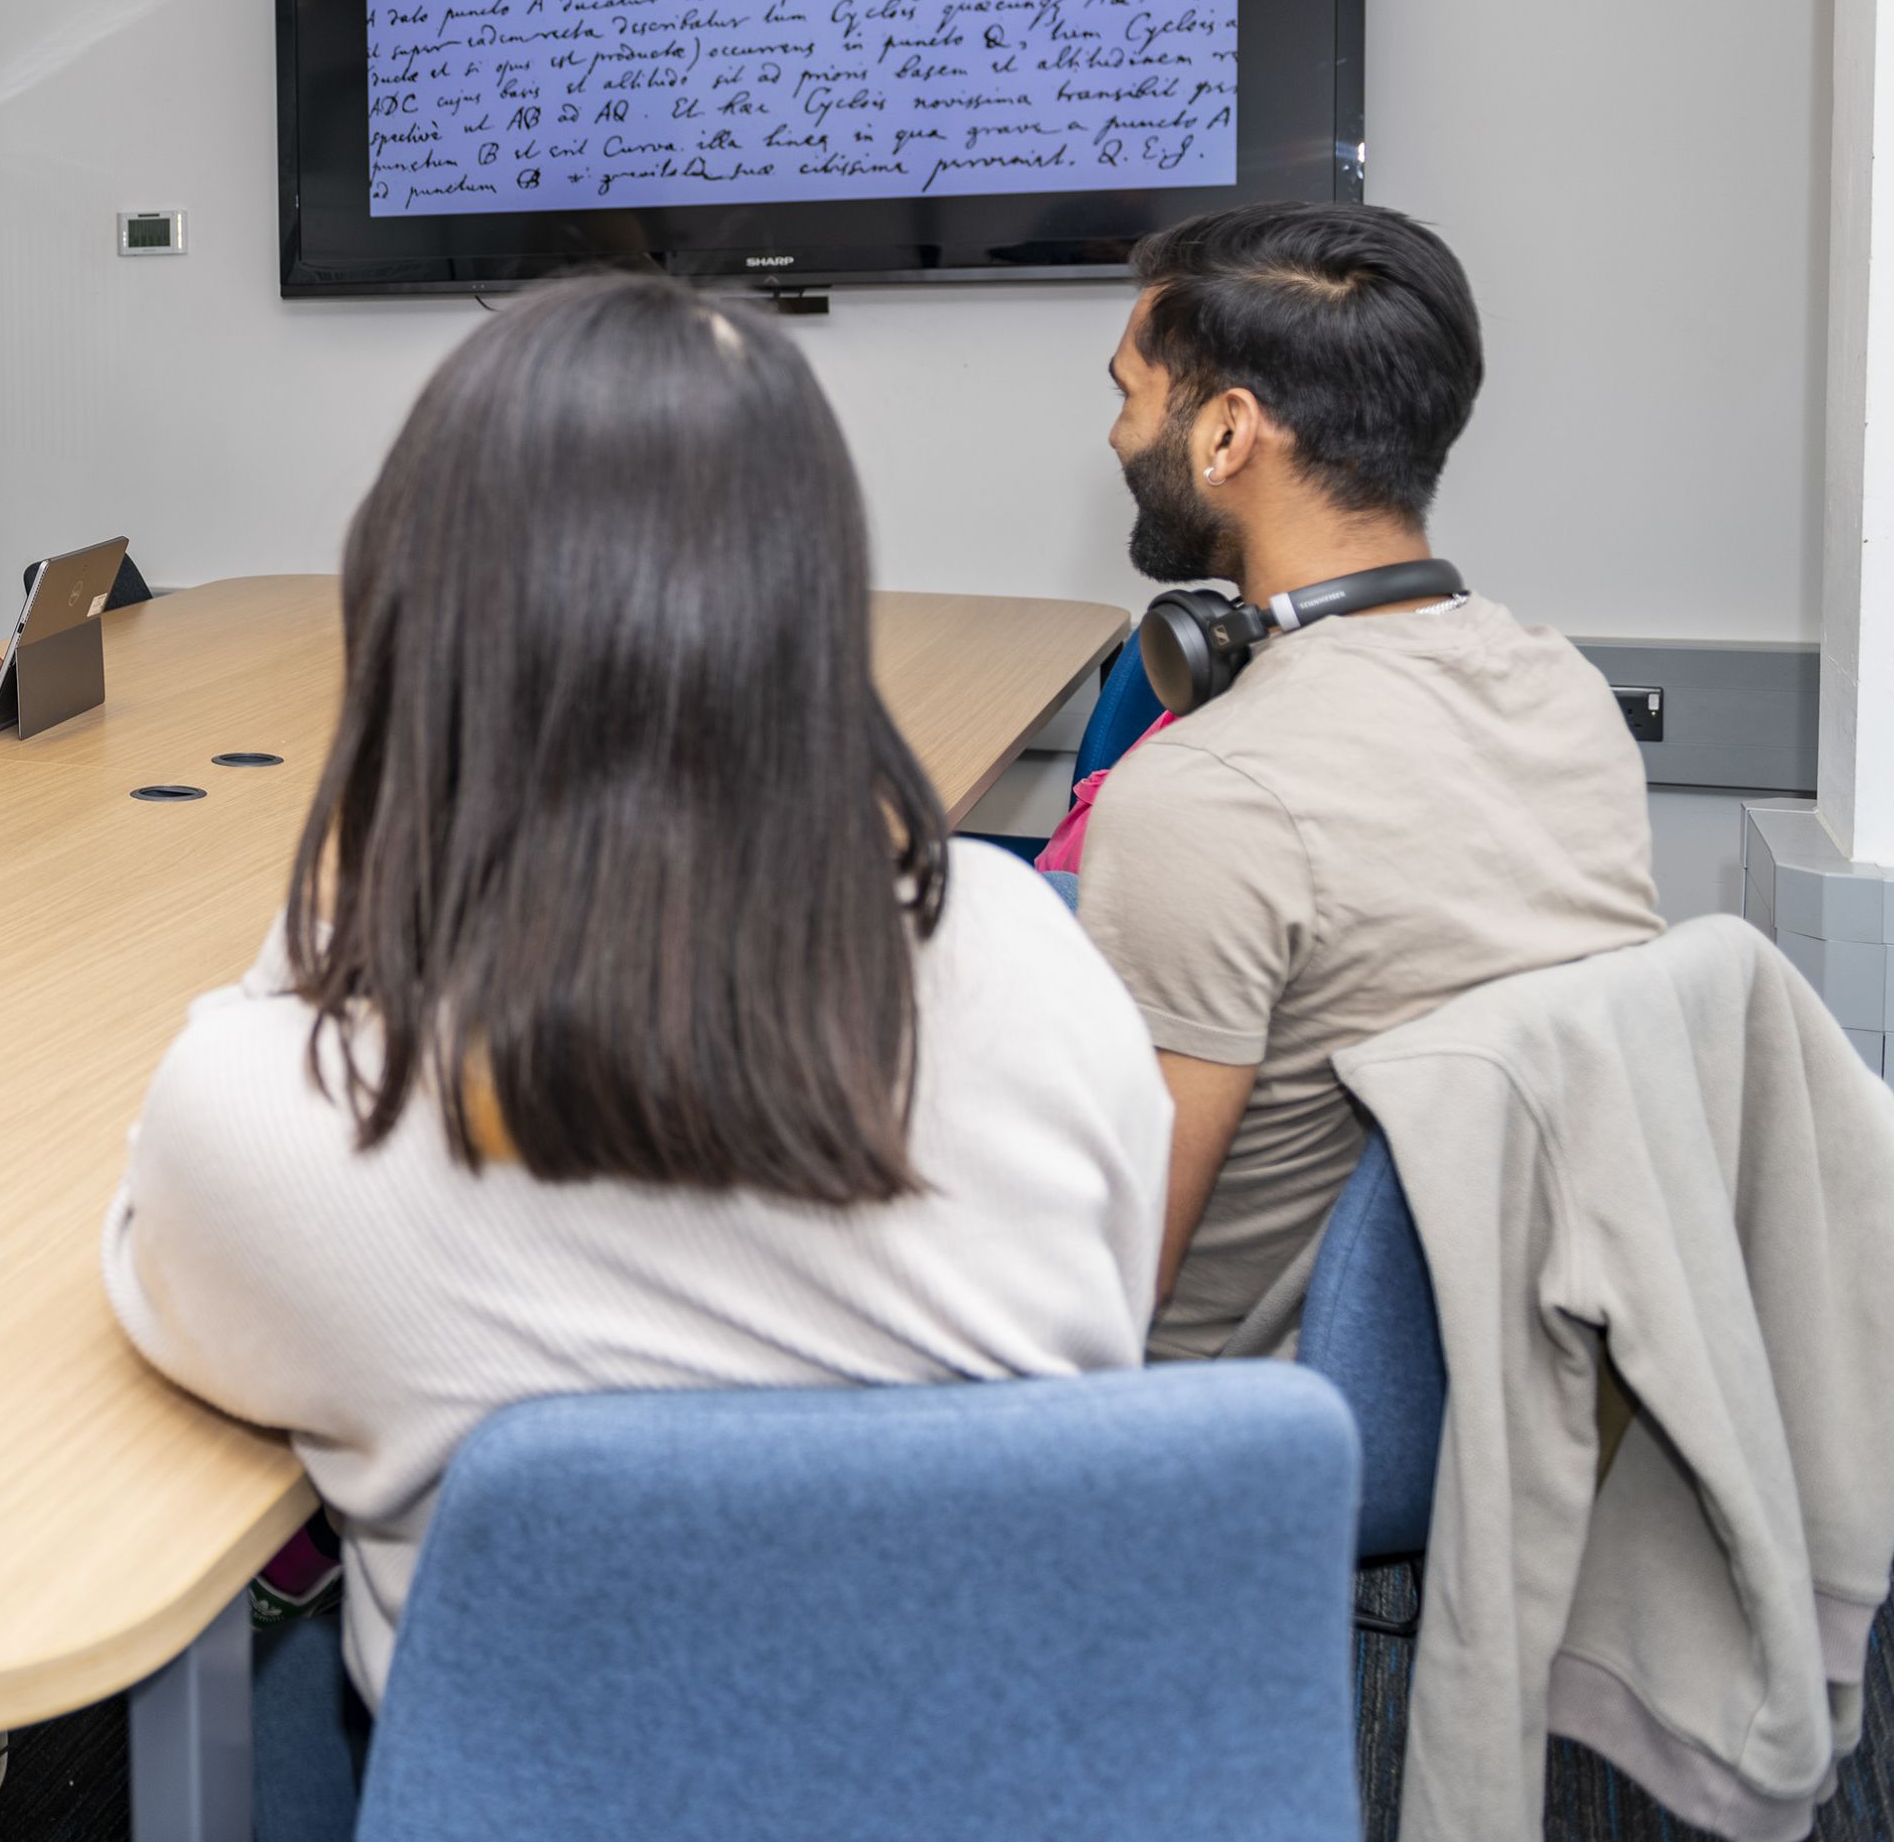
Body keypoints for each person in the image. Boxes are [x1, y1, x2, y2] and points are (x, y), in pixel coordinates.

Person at [100, 278, 1171, 1832]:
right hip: (1004, 1774)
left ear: (407, 618)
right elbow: (1121, 1292)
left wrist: (364, 857)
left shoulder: (277, 1112)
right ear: (813, 600)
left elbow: (168, 1300)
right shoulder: (1032, 957)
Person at [1075, 202, 1661, 1359]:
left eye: (1129, 391)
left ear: (1226, 435)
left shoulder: (1207, 792)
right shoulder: (1564, 693)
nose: (1116, 433)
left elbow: (1098, 1294)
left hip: (1226, 1415)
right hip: (1487, 1368)